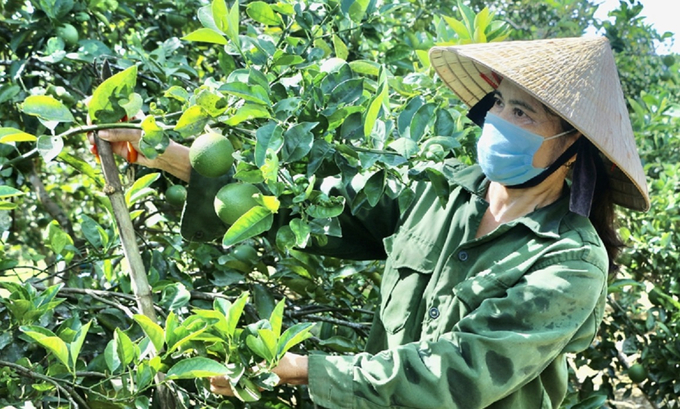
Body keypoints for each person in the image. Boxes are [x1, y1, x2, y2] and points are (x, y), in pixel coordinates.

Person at [92, 36, 649, 408]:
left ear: (571, 147)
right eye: (499, 103)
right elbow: (300, 210)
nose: (498, 120)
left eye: (523, 113)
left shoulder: (569, 259)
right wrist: (165, 154)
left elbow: (463, 371)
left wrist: (312, 370)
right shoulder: (438, 191)